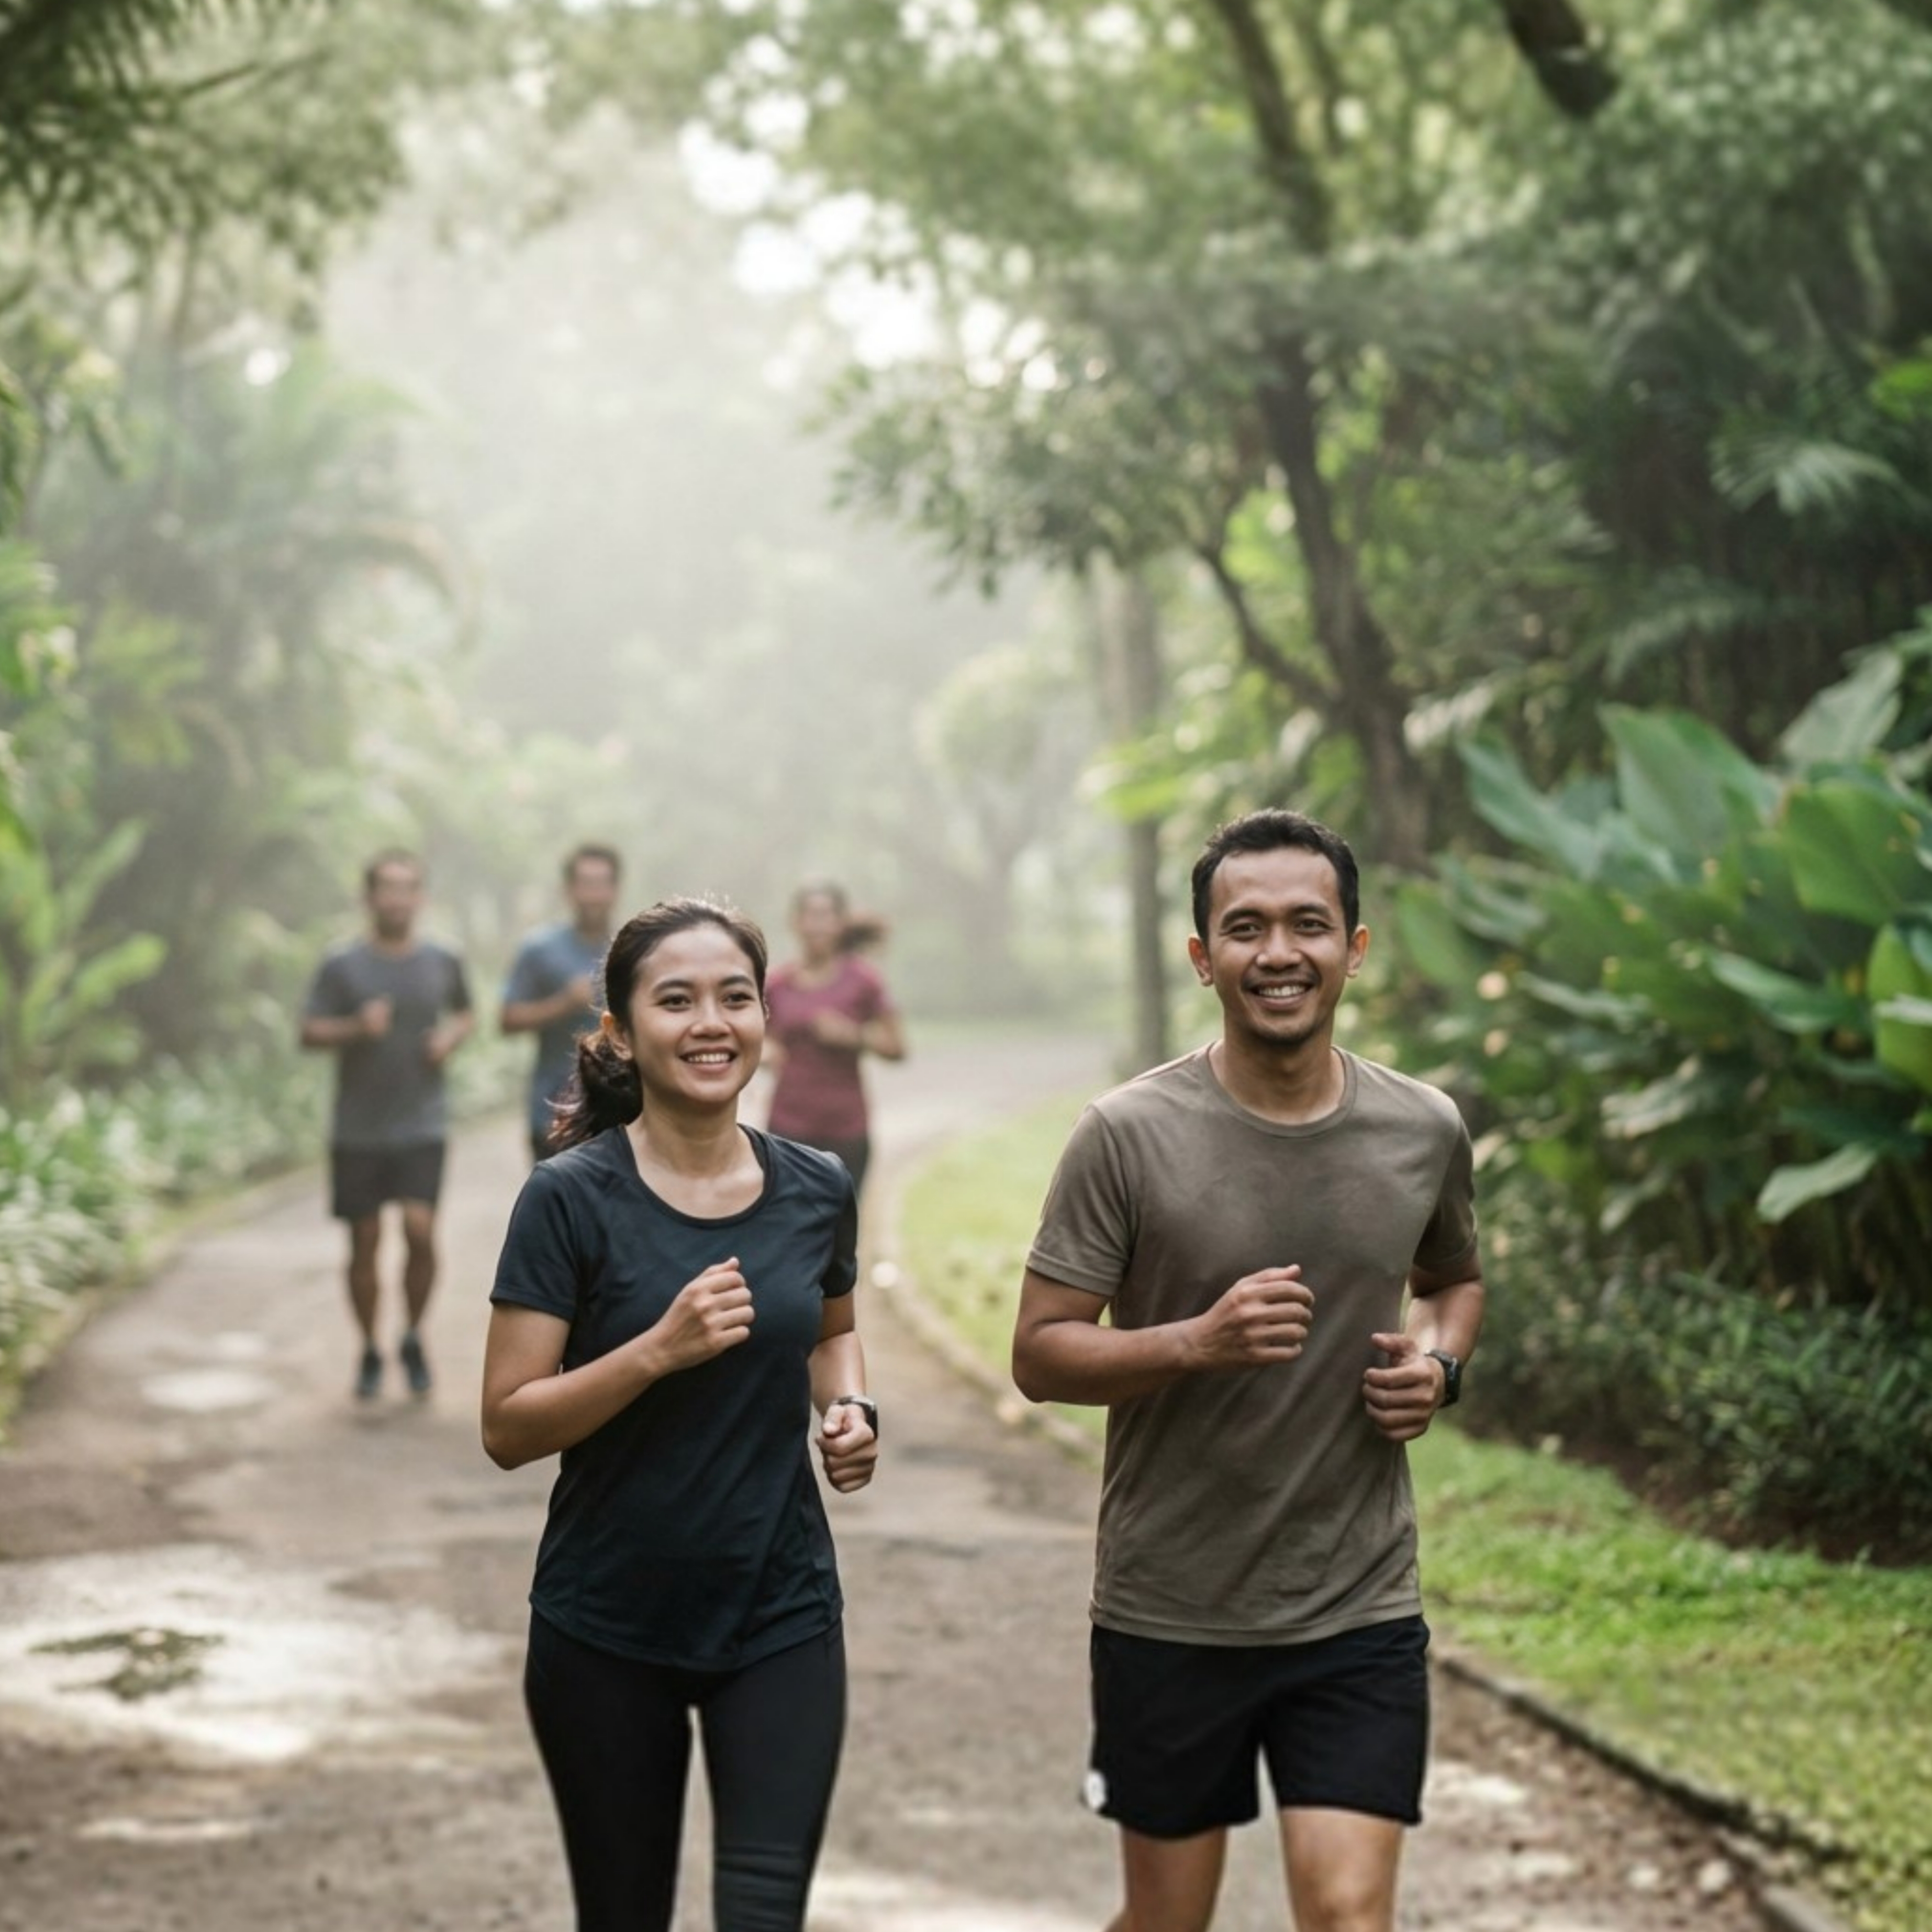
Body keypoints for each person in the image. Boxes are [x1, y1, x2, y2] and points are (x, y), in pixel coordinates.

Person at [1011, 808, 1484, 1932]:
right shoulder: (1124, 1135)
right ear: (1202, 955)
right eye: (1246, 927)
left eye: (1308, 925)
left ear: (1354, 948)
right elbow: (1038, 1352)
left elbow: (1453, 1280)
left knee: (1347, 1917)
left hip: (1357, 1605)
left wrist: (1440, 1367)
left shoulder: (1422, 1129)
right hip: (1172, 1606)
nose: (1279, 952)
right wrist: (1194, 1342)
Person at [481, 896, 879, 1932]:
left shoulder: (815, 1187)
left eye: (735, 997)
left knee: (763, 1916)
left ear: (766, 1016)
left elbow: (832, 1328)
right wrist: (655, 1351)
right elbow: (509, 1425)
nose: (712, 1022)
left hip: (780, 1614)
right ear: (621, 1031)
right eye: (676, 999)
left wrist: (848, 1407)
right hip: (607, 1627)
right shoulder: (568, 1200)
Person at [300, 848, 475, 1401]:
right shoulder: (342, 964)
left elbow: (467, 1012)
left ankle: (414, 1335)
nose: (398, 898)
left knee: (421, 1232)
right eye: (388, 888)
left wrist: (450, 1038)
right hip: (358, 1129)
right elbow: (307, 1032)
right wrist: (356, 1027)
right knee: (365, 1241)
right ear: (370, 897)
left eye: (408, 888)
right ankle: (371, 1348)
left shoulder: (442, 959)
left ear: (420, 898)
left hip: (422, 1123)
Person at [763, 880, 906, 1199]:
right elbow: (759, 1041)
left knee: (840, 1236)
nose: (817, 924)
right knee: (788, 1231)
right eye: (810, 915)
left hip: (846, 1130)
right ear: (795, 922)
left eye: (826, 915)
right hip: (787, 1129)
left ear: (841, 923)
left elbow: (898, 1048)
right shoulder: (777, 984)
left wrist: (854, 1036)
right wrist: (767, 1053)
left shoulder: (864, 980)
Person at [501, 842, 623, 1163]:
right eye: (586, 884)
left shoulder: (634, 947)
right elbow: (508, 1020)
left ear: (615, 889)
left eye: (602, 884)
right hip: (554, 1112)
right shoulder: (540, 949)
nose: (593, 895)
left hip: (623, 1112)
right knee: (558, 1210)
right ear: (569, 890)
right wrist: (562, 1003)